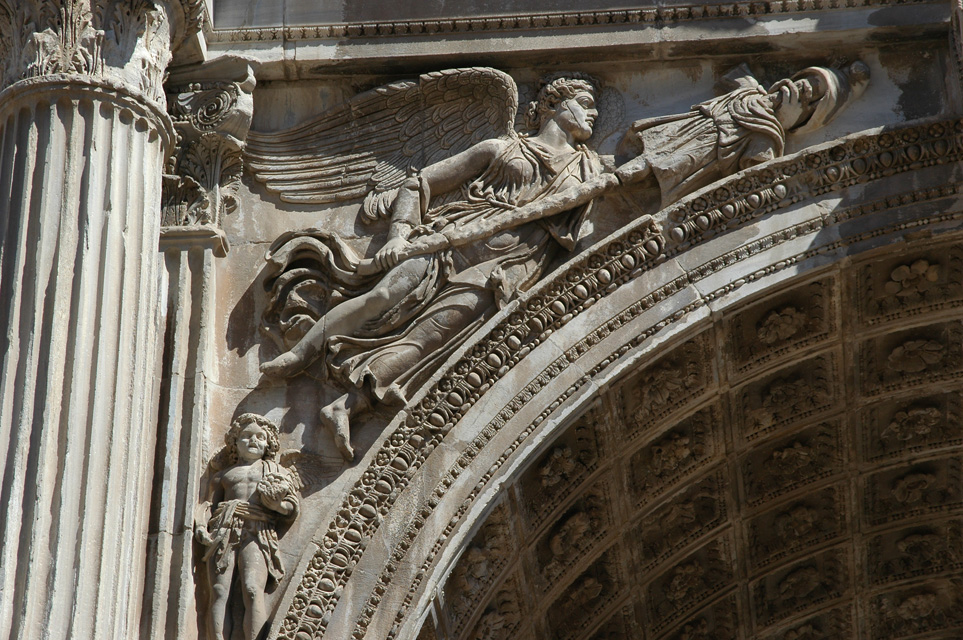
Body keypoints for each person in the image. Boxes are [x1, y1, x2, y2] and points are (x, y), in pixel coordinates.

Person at [260, 74, 603, 461]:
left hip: (504, 267)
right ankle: (302, 352)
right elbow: (419, 183)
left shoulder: (590, 171)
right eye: (585, 102)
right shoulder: (503, 148)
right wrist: (399, 235)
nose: (594, 112)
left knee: (429, 340)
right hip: (451, 239)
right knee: (383, 294)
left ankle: (348, 406)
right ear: (554, 105)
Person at [616, 62, 870, 205]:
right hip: (676, 134)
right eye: (810, 79)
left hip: (691, 161)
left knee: (642, 176)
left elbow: (754, 178)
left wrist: (779, 123)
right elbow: (730, 76)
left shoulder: (768, 136)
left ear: (807, 115)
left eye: (813, 93)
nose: (805, 86)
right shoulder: (750, 90)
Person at [195, 414, 300, 640]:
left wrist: (277, 505)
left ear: (268, 443)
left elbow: (291, 507)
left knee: (253, 589)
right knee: (219, 591)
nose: (254, 441)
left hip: (257, 529)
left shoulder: (276, 472)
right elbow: (207, 506)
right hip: (224, 530)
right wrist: (203, 528)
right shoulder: (223, 476)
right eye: (246, 436)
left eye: (260, 437)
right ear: (235, 442)